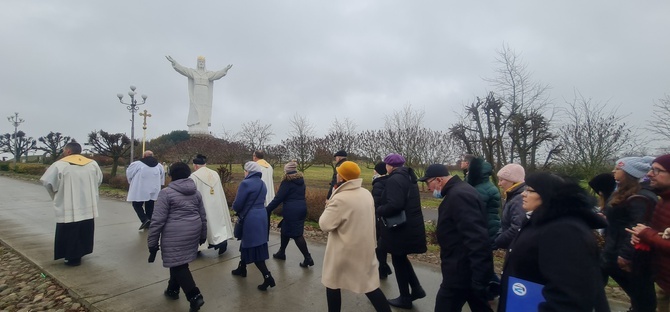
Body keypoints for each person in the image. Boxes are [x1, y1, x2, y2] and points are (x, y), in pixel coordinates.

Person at [498, 172, 609, 312]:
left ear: (547, 195)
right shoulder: (541, 221)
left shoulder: (564, 230)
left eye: (529, 190)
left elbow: (569, 295)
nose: (523, 194)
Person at [419, 164, 493, 312]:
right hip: (464, 267)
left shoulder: (459, 196)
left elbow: (476, 237)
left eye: (428, 183)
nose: (428, 188)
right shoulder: (460, 191)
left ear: (439, 180)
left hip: (461, 270)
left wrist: (479, 277)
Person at [319, 161, 392, 312]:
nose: (337, 174)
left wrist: (329, 203)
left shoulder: (340, 198)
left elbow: (325, 225)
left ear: (342, 177)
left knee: (333, 283)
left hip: (343, 250)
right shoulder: (366, 193)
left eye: (339, 172)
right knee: (369, 286)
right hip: (364, 247)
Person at [147, 162, 207, 311]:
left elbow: (157, 220)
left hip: (175, 234)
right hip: (193, 230)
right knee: (178, 260)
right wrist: (203, 235)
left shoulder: (166, 193)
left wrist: (152, 242)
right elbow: (203, 216)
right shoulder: (196, 192)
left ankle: (194, 296)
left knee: (178, 264)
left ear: (171, 175)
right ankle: (172, 289)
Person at [601, 156, 657, 312]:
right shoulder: (622, 192)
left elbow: (637, 227)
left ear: (628, 173)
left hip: (627, 258)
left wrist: (626, 255)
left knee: (643, 300)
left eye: (618, 168)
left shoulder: (641, 197)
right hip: (612, 251)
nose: (613, 171)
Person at [376, 153, 427, 309]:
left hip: (400, 228)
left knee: (398, 259)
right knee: (401, 258)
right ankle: (416, 289)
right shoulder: (408, 177)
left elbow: (395, 205)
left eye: (386, 164)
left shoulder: (395, 179)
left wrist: (380, 210)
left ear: (390, 166)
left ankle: (405, 297)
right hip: (410, 225)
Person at [40, 142, 102, 266]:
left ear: (68, 151)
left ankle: (71, 257)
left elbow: (48, 183)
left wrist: (56, 195)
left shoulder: (59, 165)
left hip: (68, 204)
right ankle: (81, 253)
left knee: (70, 230)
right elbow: (98, 180)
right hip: (87, 204)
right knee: (85, 229)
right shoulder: (92, 164)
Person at [628, 154, 670, 312]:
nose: (649, 174)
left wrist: (647, 234)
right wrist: (642, 237)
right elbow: (659, 234)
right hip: (664, 282)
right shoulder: (663, 201)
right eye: (651, 169)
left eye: (657, 170)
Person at [231, 161, 275, 291]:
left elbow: (238, 204)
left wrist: (234, 208)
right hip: (261, 216)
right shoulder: (262, 183)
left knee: (253, 248)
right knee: (250, 243)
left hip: (250, 218)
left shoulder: (245, 183)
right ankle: (242, 268)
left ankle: (268, 277)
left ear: (248, 171)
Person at [165, 55, 233, 134]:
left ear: (204, 63)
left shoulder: (208, 74)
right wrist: (174, 63)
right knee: (195, 109)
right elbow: (183, 70)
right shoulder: (194, 72)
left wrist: (225, 69)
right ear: (197, 63)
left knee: (204, 110)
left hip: (205, 95)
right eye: (200, 62)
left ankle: (203, 126)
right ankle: (195, 126)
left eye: (202, 62)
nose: (201, 63)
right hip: (196, 94)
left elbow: (217, 74)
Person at [266, 160, 313, 267]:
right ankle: (281, 252)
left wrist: (267, 209)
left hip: (292, 211)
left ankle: (308, 258)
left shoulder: (287, 182)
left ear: (286, 171)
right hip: (301, 208)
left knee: (297, 235)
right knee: (285, 229)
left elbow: (278, 198)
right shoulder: (301, 180)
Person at [190, 154, 233, 255]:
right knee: (218, 223)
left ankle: (199, 247)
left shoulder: (193, 176)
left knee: (204, 226)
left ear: (195, 166)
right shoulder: (215, 174)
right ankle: (222, 241)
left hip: (203, 205)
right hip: (217, 204)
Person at [465, 156, 501, 242]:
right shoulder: (482, 186)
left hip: (484, 231)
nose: (467, 173)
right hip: (486, 229)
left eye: (469, 171)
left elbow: (472, 212)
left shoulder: (481, 189)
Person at [126, 150, 165, 230]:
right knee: (150, 206)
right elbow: (162, 177)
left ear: (144, 156)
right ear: (152, 156)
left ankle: (145, 219)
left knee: (136, 205)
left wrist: (131, 182)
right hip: (153, 189)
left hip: (140, 189)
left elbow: (129, 174)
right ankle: (150, 222)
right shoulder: (159, 165)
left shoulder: (137, 164)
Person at [492, 163, 526, 250]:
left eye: (501, 180)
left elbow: (517, 227)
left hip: (517, 248)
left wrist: (499, 240)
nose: (499, 184)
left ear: (513, 181)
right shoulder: (512, 196)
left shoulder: (519, 199)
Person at [371, 161, 393, 280]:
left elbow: (375, 202)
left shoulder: (378, 184)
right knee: (382, 244)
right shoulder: (390, 181)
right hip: (386, 217)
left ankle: (381, 268)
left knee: (378, 244)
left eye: (374, 169)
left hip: (378, 217)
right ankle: (382, 268)